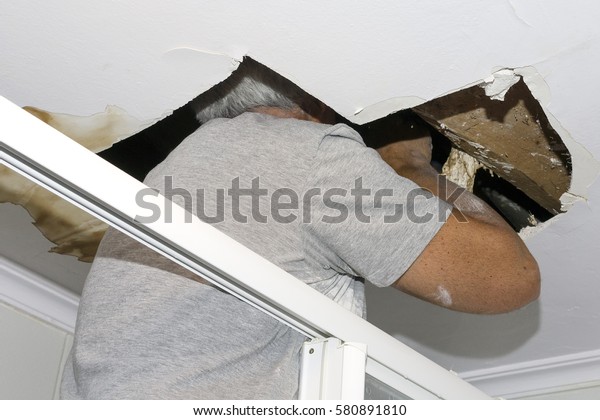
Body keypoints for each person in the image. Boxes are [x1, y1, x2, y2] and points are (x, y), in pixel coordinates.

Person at [60, 59, 540, 399]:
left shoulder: (168, 177)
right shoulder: (293, 151)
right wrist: (407, 162)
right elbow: (509, 278)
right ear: (314, 98)